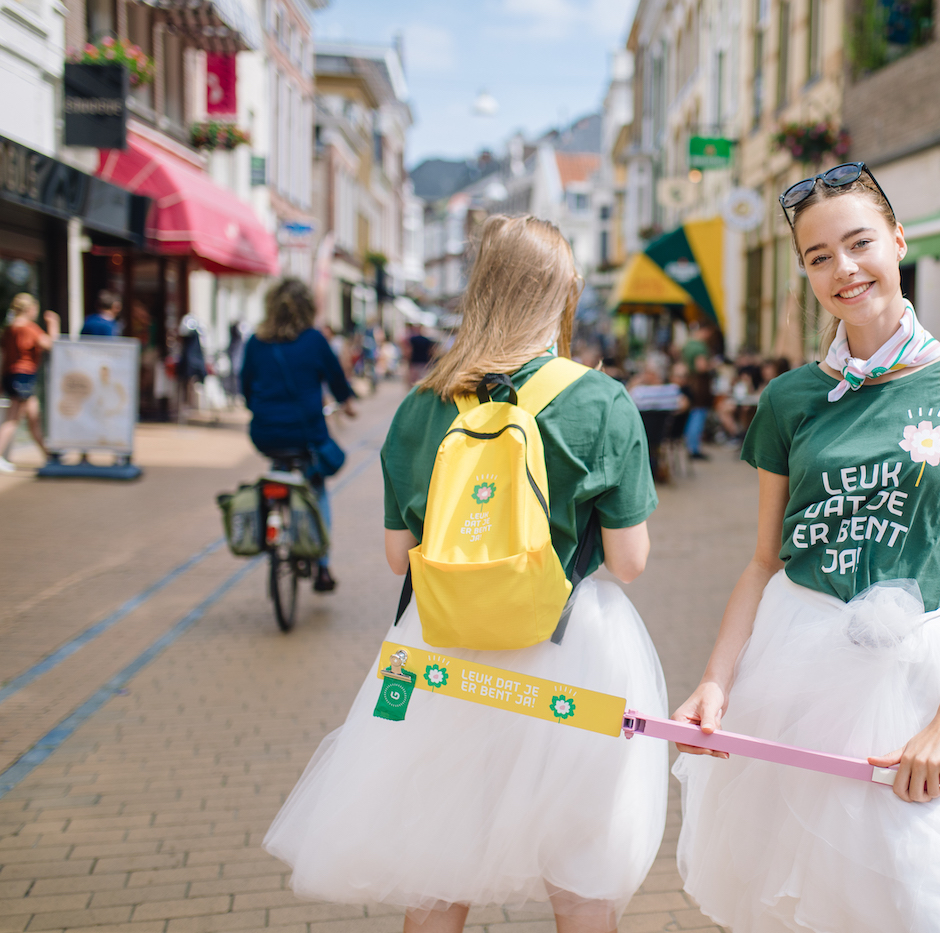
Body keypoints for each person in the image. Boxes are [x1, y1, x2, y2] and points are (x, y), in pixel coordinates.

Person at [262, 215, 667, 933]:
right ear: (565, 294)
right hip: (572, 650)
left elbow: (398, 557)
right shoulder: (601, 401)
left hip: (444, 652)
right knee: (580, 884)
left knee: (438, 873)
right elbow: (631, 563)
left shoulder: (421, 404)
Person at [670, 163, 940, 932]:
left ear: (898, 240)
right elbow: (764, 560)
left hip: (917, 689)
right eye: (818, 256)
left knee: (931, 903)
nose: (844, 269)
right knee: (799, 907)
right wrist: (714, 681)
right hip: (791, 674)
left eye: (859, 242)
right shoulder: (788, 400)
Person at [240, 279, 357, 592]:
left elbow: (245, 388)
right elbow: (336, 380)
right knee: (316, 488)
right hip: (306, 433)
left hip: (264, 433)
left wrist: (261, 410)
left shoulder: (255, 342)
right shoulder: (314, 341)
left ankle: (272, 524)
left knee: (279, 469)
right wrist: (347, 404)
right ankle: (322, 566)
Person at [0, 294, 60, 472]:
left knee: (34, 418)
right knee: (12, 420)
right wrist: (53, 324)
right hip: (23, 376)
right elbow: (51, 345)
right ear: (29, 309)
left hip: (13, 375)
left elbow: (4, 357)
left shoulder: (9, 329)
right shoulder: (29, 328)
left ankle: (49, 456)